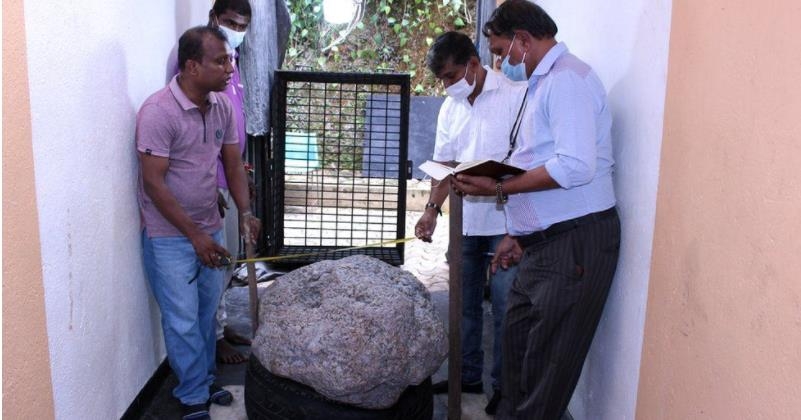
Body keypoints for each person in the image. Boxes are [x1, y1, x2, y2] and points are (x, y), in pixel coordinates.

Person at [452, 1, 621, 418]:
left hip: (574, 245)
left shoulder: (567, 80)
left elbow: (575, 166)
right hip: (546, 244)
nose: (499, 61)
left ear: (523, 41)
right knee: (519, 357)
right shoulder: (543, 82)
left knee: (545, 373)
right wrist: (521, 234)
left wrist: (500, 185)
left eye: (500, 50)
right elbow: (542, 160)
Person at [138, 26, 261, 420]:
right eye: (221, 60)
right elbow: (152, 182)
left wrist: (245, 213)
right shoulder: (158, 112)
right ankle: (192, 396)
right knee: (182, 319)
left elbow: (231, 163)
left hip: (208, 227)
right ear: (192, 66)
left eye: (231, 59)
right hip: (169, 237)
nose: (231, 67)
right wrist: (194, 237)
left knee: (207, 314)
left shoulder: (221, 105)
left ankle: (205, 381)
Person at [413, 31, 526, 415]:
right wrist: (431, 209)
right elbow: (443, 165)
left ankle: (503, 389)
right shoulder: (451, 108)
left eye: (450, 76)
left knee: (506, 304)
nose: (447, 86)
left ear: (473, 65)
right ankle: (467, 375)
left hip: (505, 222)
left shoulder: (515, 97)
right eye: (441, 80)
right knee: (463, 305)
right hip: (465, 221)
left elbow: (526, 164)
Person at [167, 0, 255, 364]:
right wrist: (210, 183)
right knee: (212, 262)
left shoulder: (228, 63)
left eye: (243, 25)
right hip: (208, 182)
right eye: (231, 22)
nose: (237, 30)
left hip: (229, 172)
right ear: (215, 18)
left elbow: (228, 122)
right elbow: (190, 129)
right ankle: (215, 337)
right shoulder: (195, 62)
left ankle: (219, 325)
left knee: (225, 259)